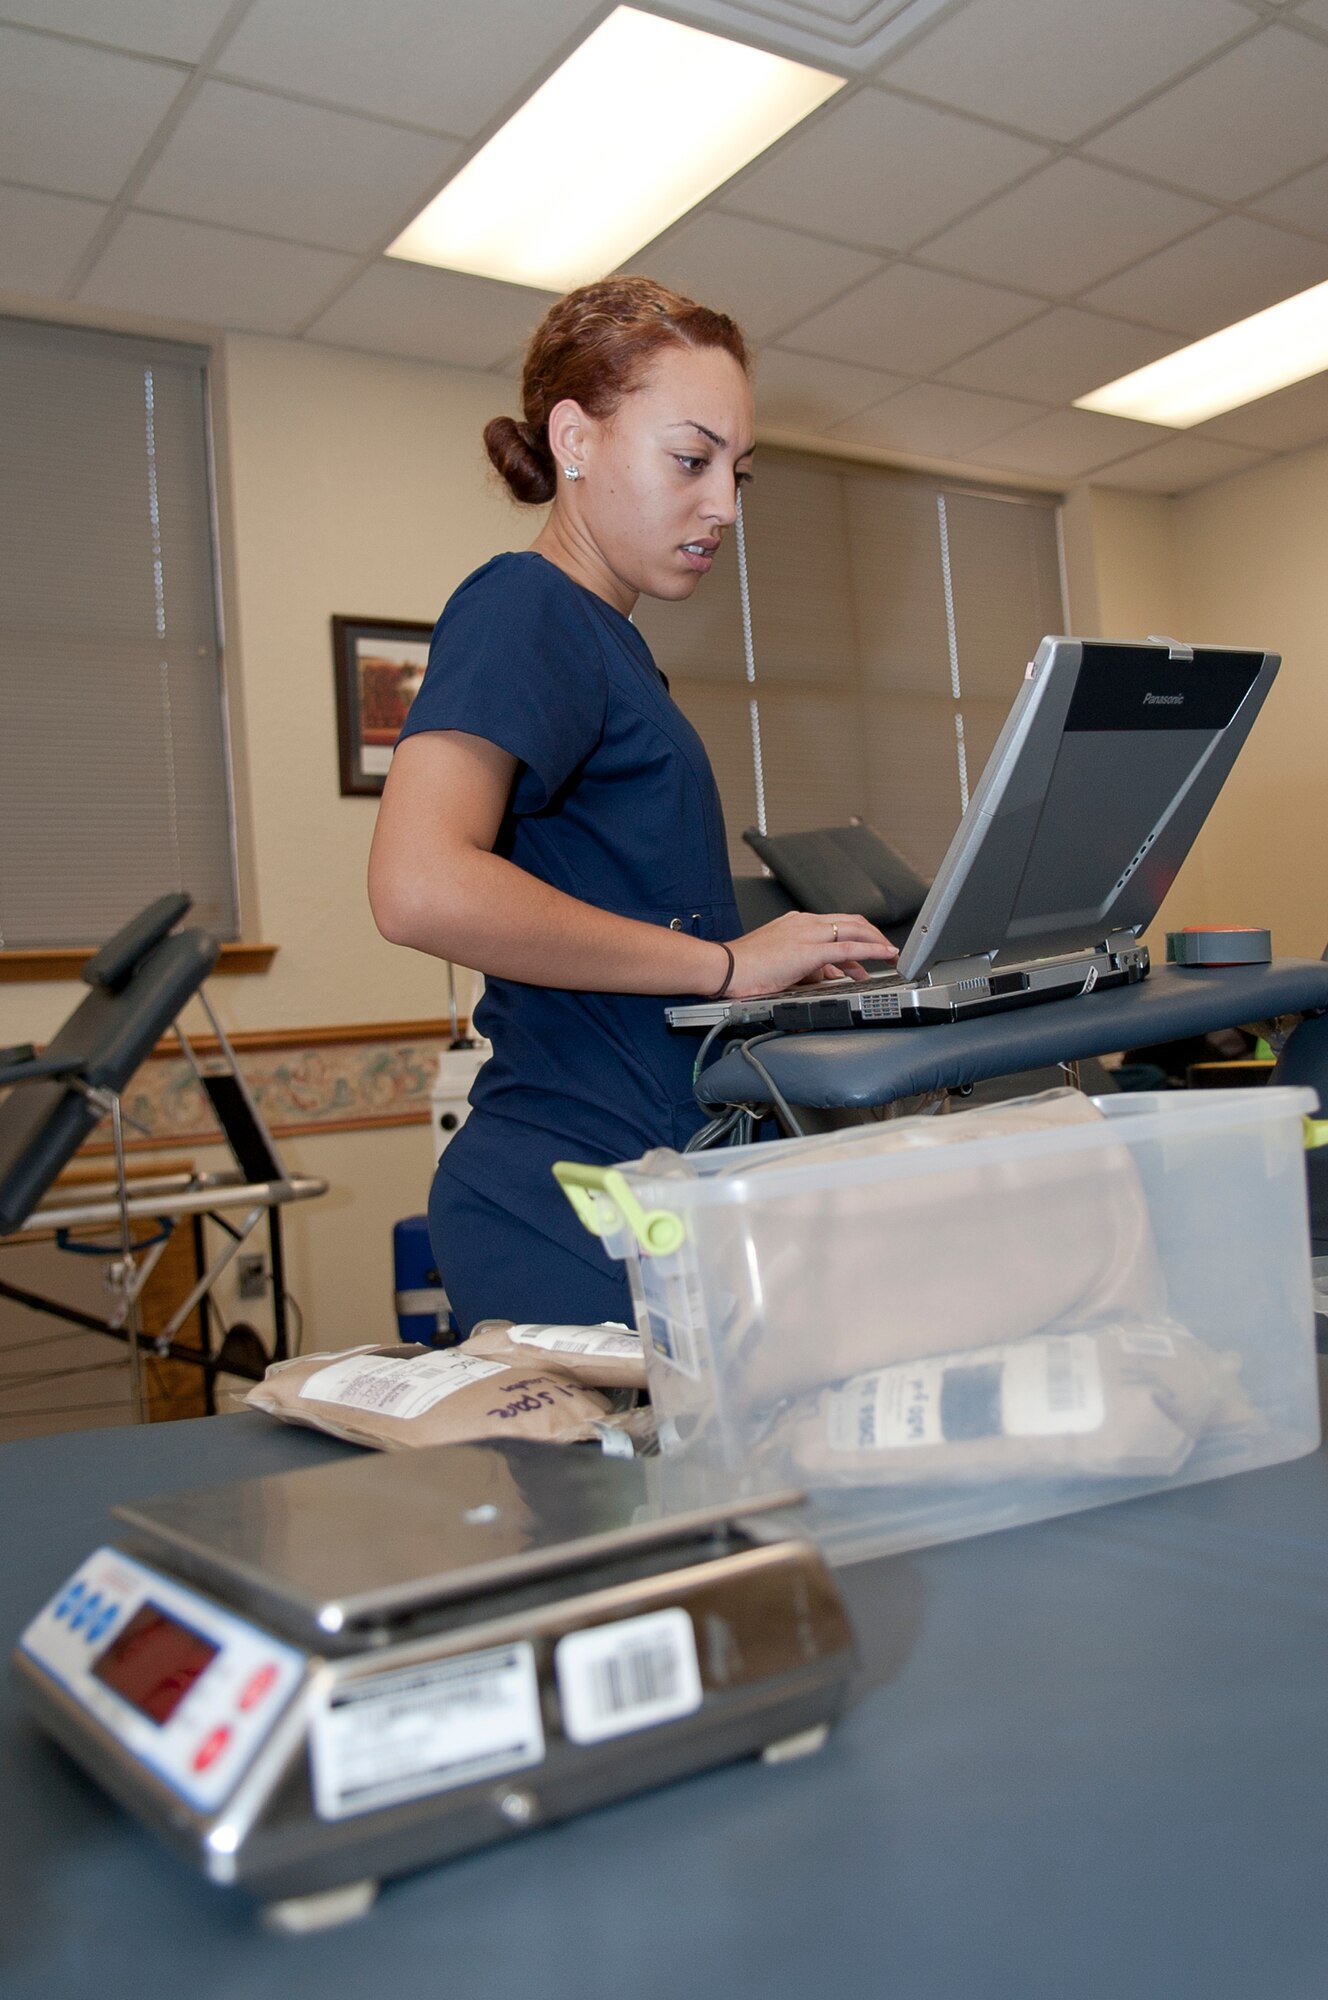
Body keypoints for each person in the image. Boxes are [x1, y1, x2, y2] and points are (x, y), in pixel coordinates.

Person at [368, 276, 895, 1334]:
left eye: (737, 473)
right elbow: (417, 886)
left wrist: (755, 968)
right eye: (690, 460)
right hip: (566, 1197)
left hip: (646, 1179)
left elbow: (620, 919)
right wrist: (726, 966)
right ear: (573, 437)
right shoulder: (526, 606)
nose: (723, 507)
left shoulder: (608, 645)